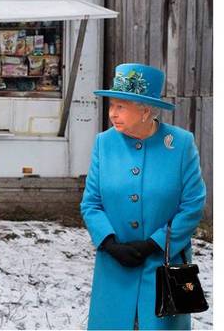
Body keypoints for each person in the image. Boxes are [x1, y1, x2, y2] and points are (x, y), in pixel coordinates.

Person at [80, 63, 207, 330]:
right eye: (111, 105)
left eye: (120, 107)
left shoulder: (180, 144)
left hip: (164, 264)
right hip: (114, 264)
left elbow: (193, 204)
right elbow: (91, 203)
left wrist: (155, 243)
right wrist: (110, 243)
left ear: (145, 110)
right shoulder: (104, 143)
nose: (112, 114)